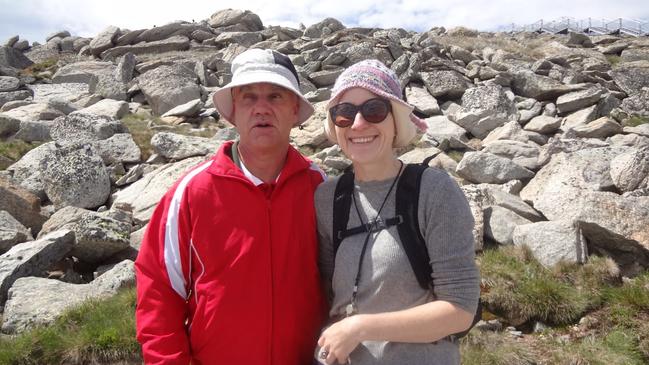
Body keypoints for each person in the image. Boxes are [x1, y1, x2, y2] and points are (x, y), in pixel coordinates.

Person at [135, 49, 327, 365]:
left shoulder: (320, 186)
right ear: (233, 111)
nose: (261, 108)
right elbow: (158, 290)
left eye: (275, 96)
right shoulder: (192, 192)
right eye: (249, 97)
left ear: (295, 109)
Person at [314, 60, 480, 365]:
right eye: (344, 113)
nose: (358, 124)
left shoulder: (434, 191)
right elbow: (326, 294)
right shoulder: (328, 198)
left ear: (396, 121)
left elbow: (460, 309)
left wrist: (360, 327)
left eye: (374, 109)